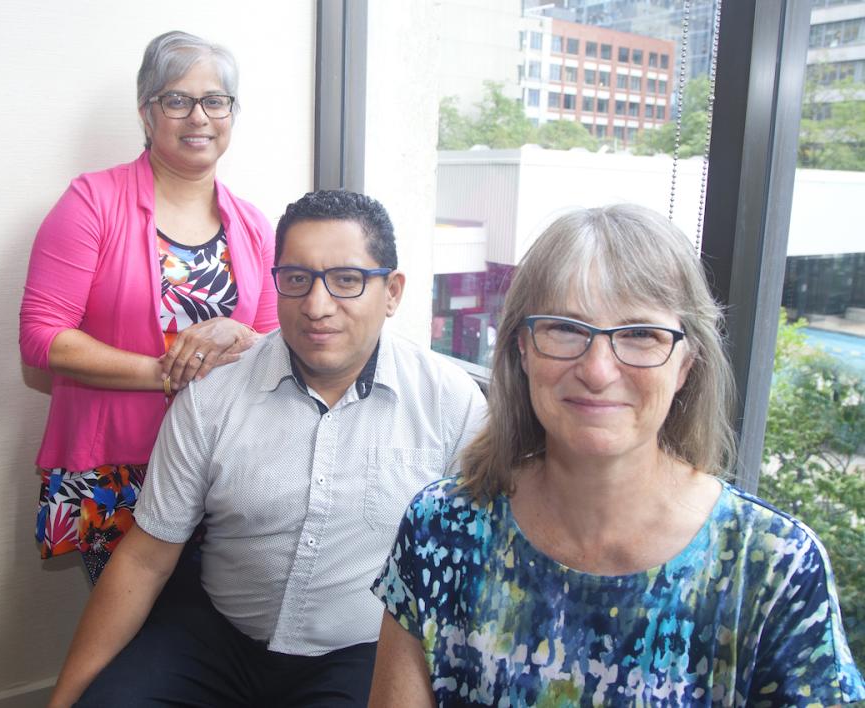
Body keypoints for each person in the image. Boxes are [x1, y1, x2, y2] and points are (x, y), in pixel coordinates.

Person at [370, 204, 865, 706]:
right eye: (566, 328)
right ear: (522, 349)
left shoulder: (772, 569)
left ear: (686, 364)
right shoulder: (441, 532)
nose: (598, 370)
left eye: (641, 334)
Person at [47, 190, 487, 706]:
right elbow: (145, 560)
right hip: (213, 633)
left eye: (347, 280)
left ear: (391, 292)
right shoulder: (214, 395)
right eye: (297, 279)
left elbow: (476, 570)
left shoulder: (450, 403)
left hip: (361, 652)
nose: (317, 307)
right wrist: (67, 699)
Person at [19, 31, 278, 583]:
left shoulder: (254, 225)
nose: (199, 117)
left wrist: (237, 333)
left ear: (232, 113)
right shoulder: (91, 202)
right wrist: (167, 374)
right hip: (119, 468)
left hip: (221, 463)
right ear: (146, 111)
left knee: (216, 627)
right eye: (177, 100)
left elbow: (275, 342)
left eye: (215, 101)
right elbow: (42, 337)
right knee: (130, 630)